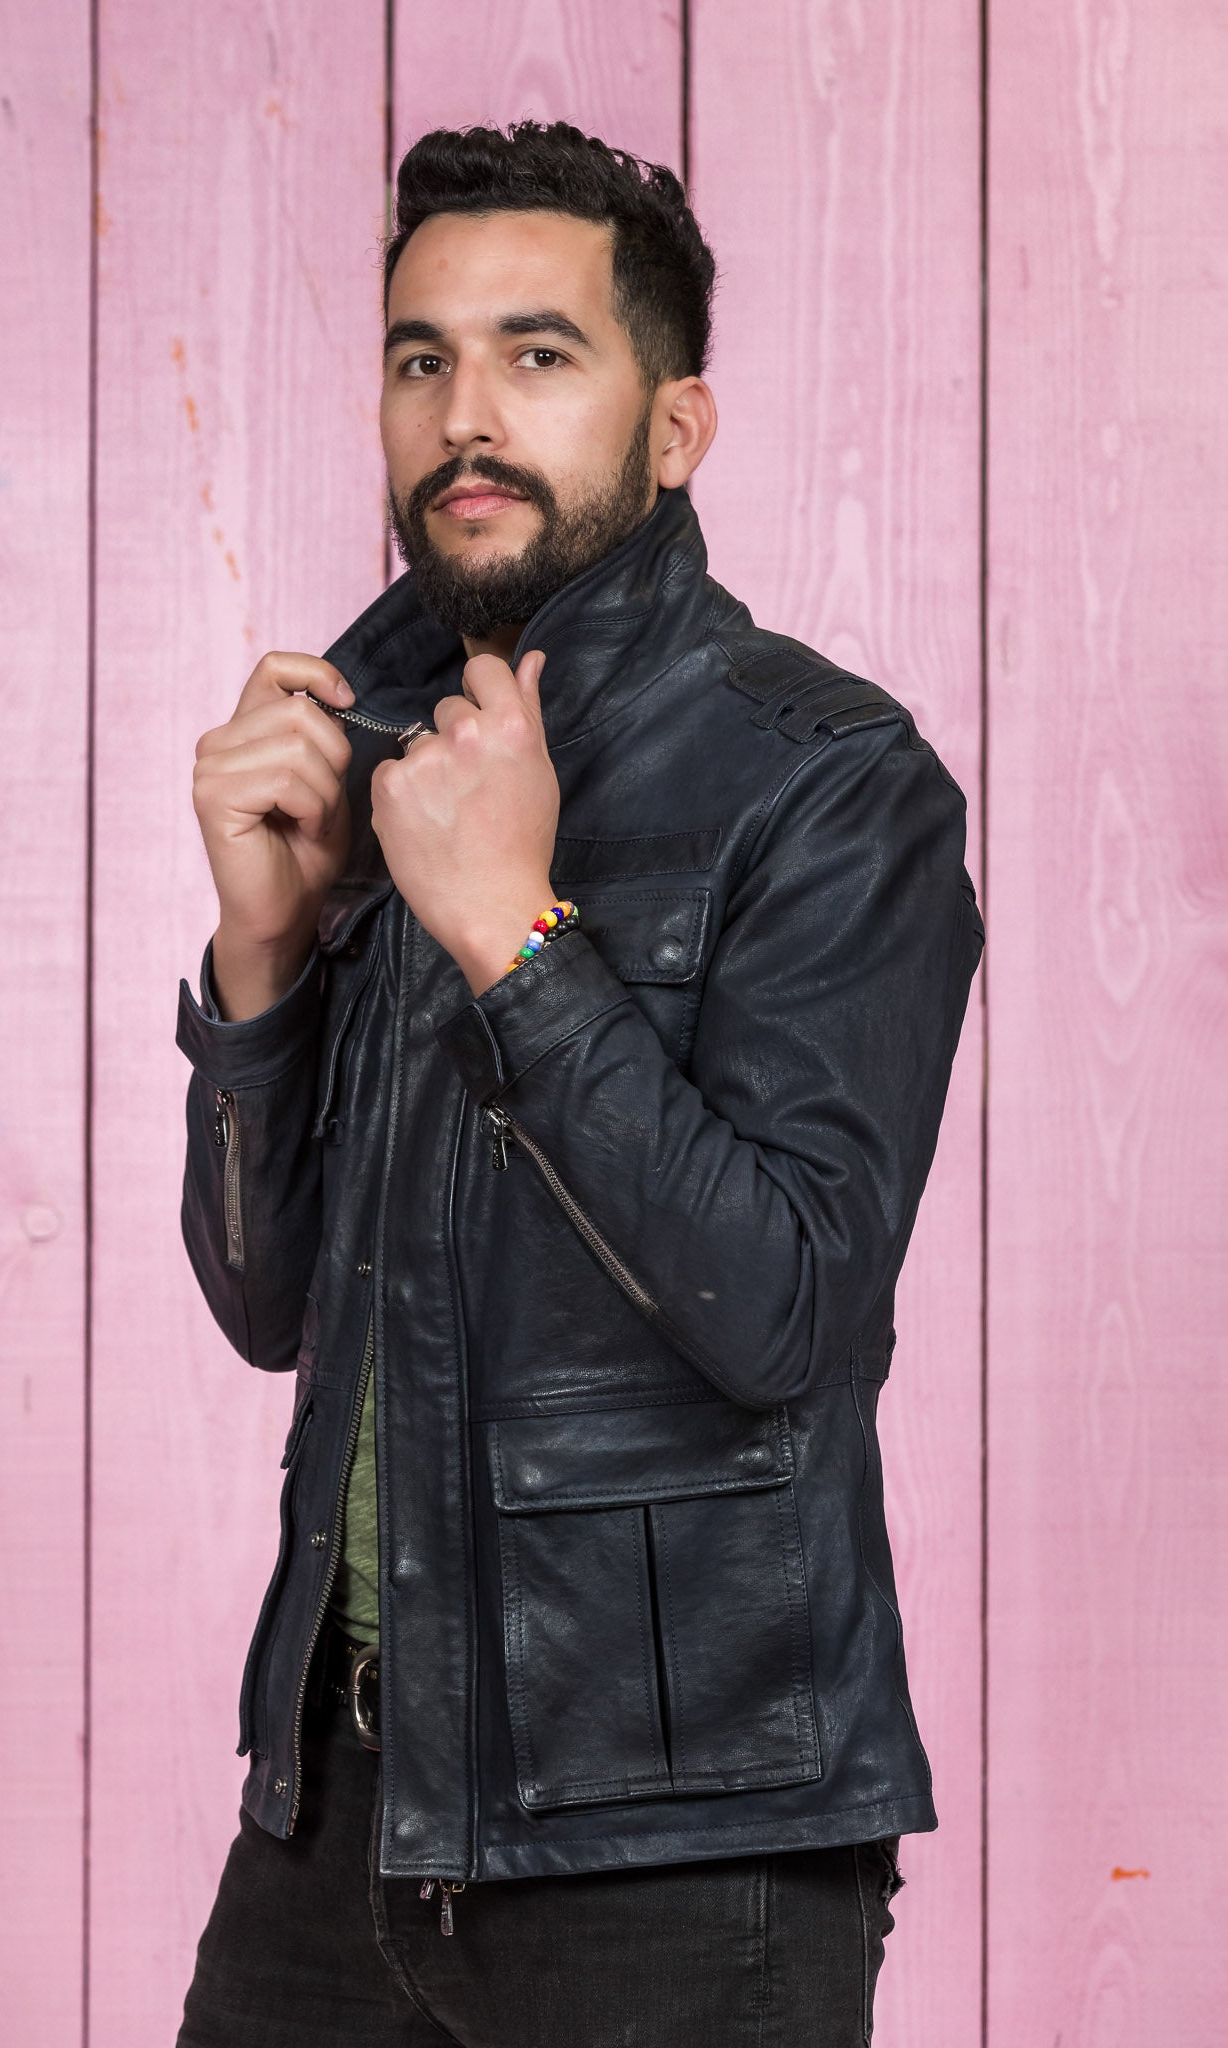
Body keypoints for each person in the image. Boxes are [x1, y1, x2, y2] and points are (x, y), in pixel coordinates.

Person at [173, 119, 984, 2048]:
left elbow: (787, 1307)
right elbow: (270, 1307)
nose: (466, 414)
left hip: (676, 1856)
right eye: (421, 357)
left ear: (673, 425)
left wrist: (515, 941)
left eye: (537, 355)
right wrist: (264, 959)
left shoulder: (830, 784)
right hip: (338, 1817)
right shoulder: (385, 758)